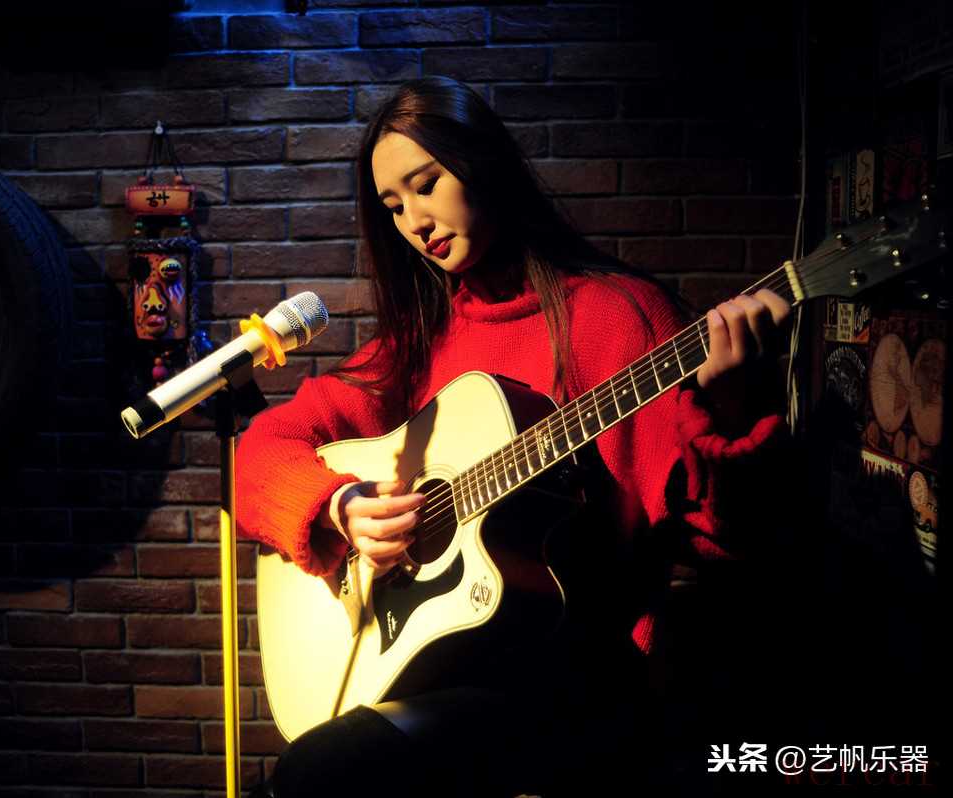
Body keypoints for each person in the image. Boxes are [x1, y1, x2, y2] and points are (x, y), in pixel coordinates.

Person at [235, 76, 791, 796]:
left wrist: (732, 413)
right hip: (446, 671)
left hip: (583, 679)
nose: (415, 222)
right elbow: (262, 452)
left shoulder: (621, 318)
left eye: (426, 185)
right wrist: (338, 507)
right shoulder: (418, 344)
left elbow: (729, 543)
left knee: (321, 773)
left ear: (484, 164)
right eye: (393, 206)